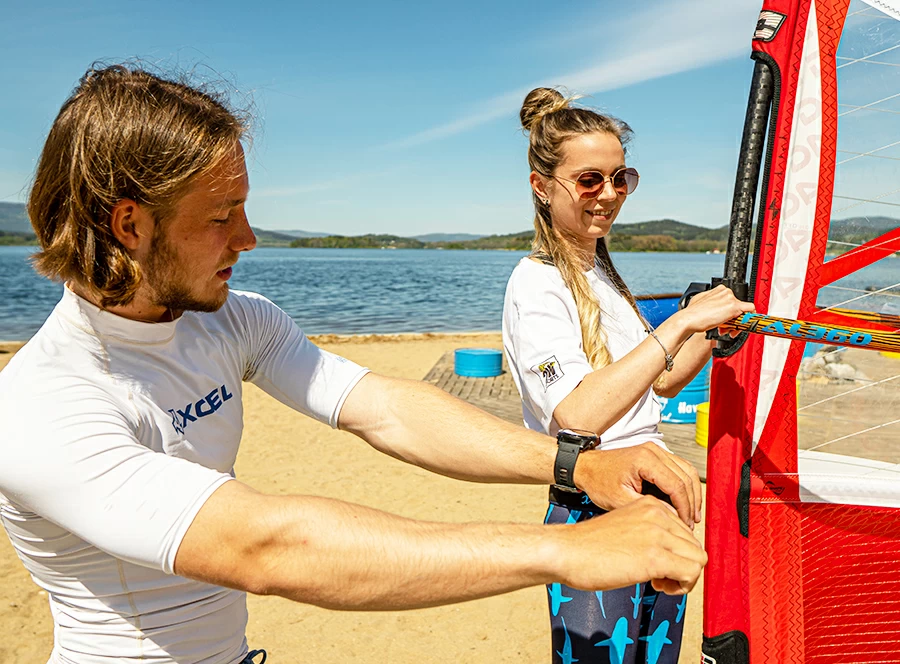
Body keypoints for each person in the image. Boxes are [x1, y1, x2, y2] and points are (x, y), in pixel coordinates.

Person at [0, 65, 708, 664]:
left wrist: (574, 466)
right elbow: (266, 547)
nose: (248, 238)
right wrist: (566, 552)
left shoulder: (231, 319)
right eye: (222, 215)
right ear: (130, 224)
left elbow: (385, 408)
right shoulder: (41, 407)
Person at [502, 88, 755, 664]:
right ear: (542, 186)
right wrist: (682, 322)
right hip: (593, 502)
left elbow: (658, 384)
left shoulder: (603, 278)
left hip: (657, 501)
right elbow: (577, 414)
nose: (609, 194)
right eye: (589, 179)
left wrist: (708, 335)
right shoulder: (536, 283)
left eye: (621, 178)